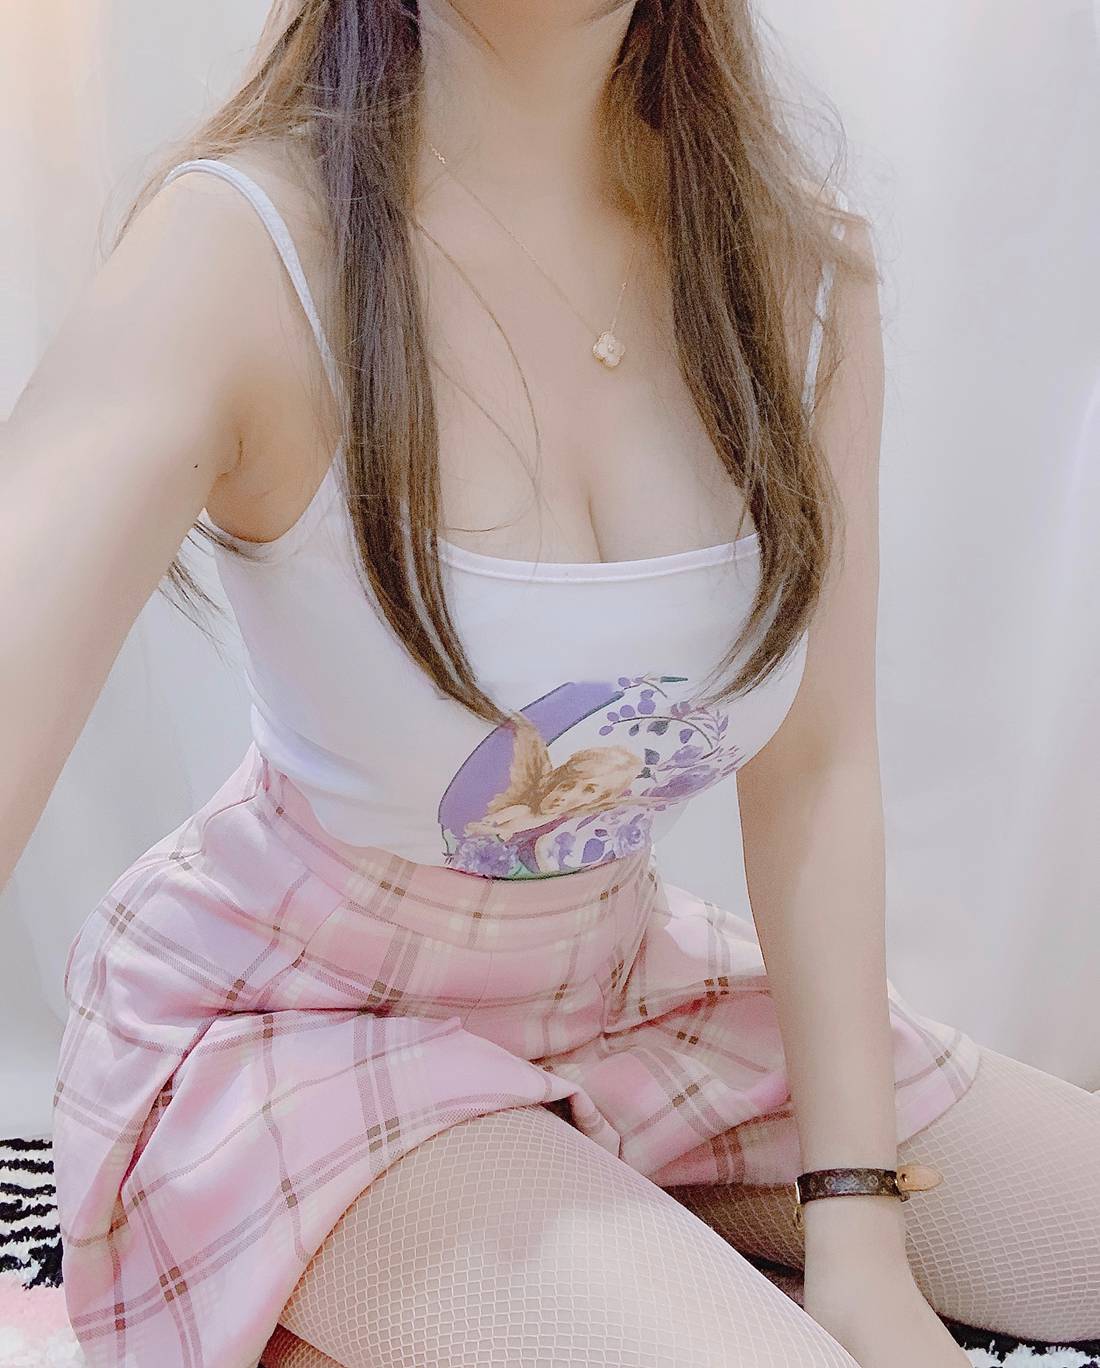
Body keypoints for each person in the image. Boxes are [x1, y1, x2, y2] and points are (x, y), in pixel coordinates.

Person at [3, 2, 1098, 1366]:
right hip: (300, 1025)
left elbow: (816, 768)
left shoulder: (793, 272)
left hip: (625, 987)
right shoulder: (241, 253)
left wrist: (858, 1236)